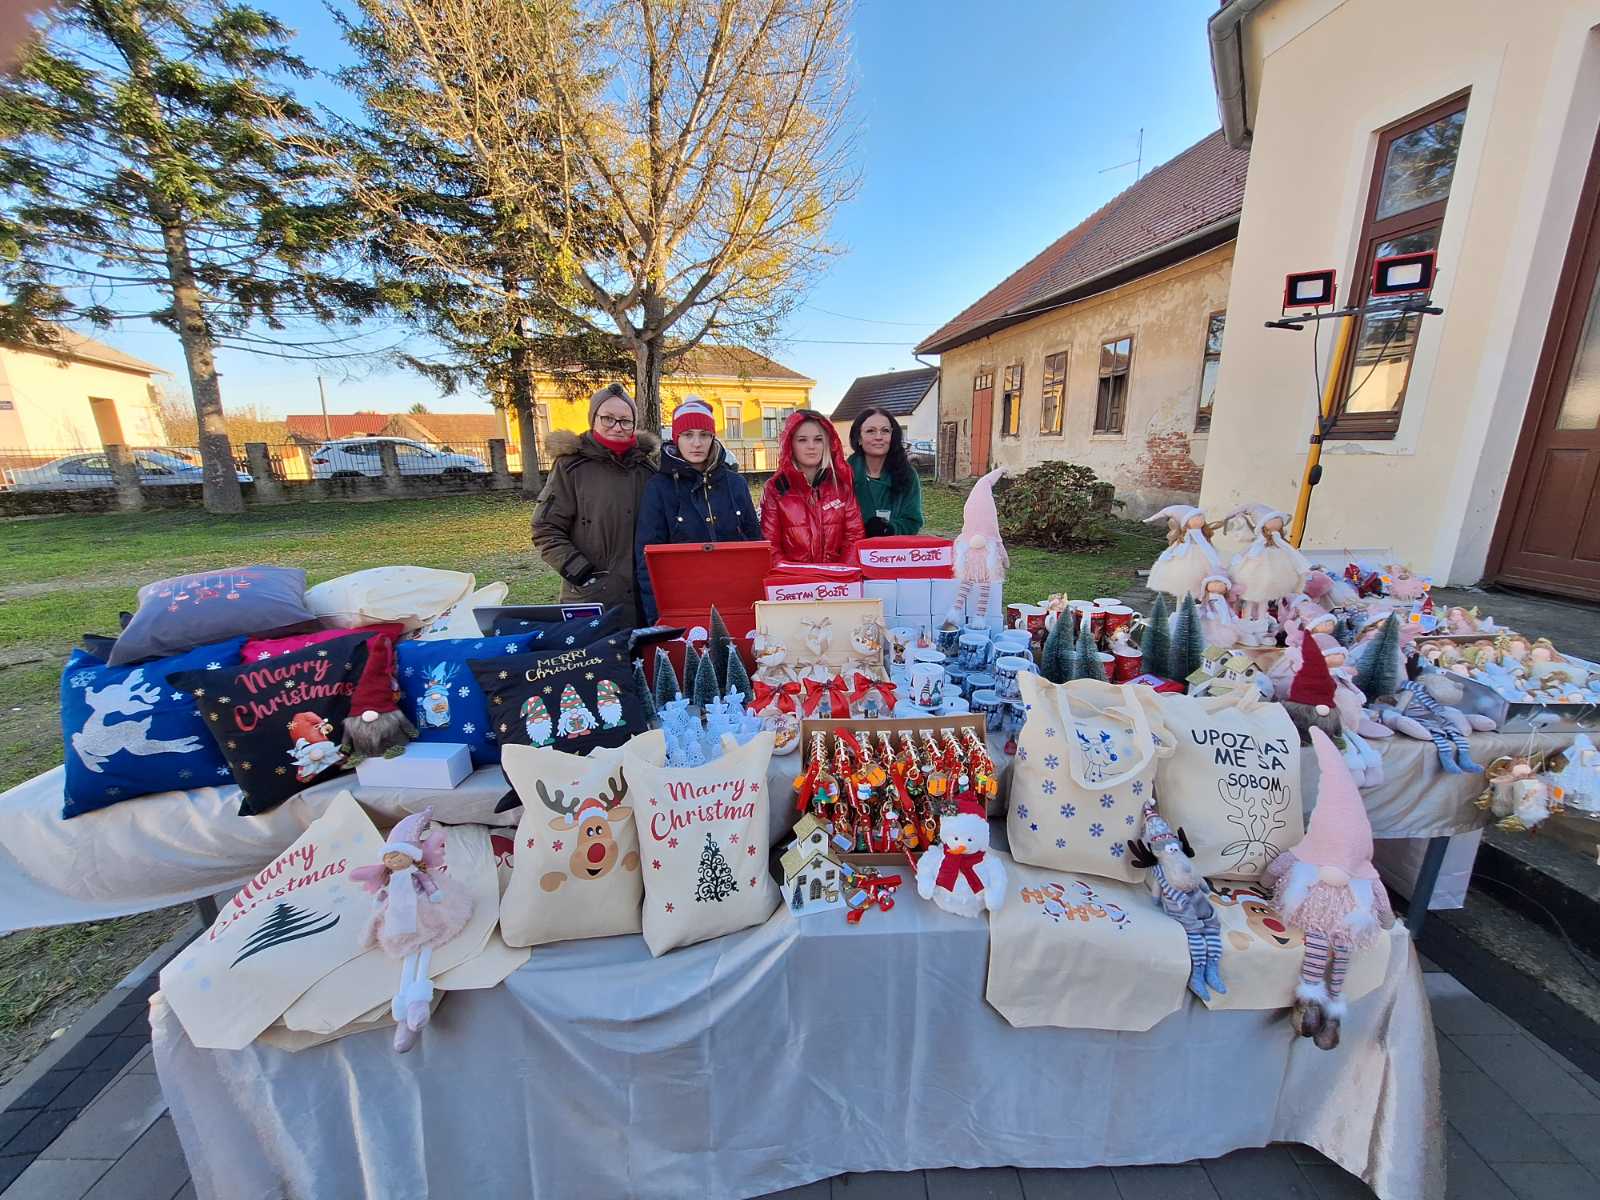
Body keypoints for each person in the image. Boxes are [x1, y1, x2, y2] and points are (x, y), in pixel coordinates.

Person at [533, 382, 657, 625]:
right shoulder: (571, 466)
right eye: (608, 418)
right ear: (594, 419)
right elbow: (545, 528)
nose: (617, 427)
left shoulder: (646, 469)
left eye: (625, 420)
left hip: (641, 601)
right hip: (590, 595)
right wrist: (580, 571)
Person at [634, 396, 762, 623]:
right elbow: (647, 560)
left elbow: (756, 545)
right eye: (688, 435)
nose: (696, 443)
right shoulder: (659, 487)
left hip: (735, 600)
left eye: (704, 435)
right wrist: (658, 618)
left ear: (713, 438)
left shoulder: (735, 484)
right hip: (682, 603)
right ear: (676, 438)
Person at [760, 409, 865, 564]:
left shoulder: (841, 486)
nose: (811, 446)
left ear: (827, 443)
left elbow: (854, 538)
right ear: (791, 444)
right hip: (795, 584)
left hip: (836, 583)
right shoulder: (775, 489)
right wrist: (797, 579)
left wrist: (840, 576)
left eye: (818, 439)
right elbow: (771, 546)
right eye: (802, 440)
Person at [847, 406, 924, 537]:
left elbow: (913, 521)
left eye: (885, 431)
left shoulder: (907, 475)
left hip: (892, 554)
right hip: (852, 554)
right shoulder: (842, 475)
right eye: (870, 431)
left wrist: (890, 529)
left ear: (892, 436)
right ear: (859, 438)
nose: (879, 437)